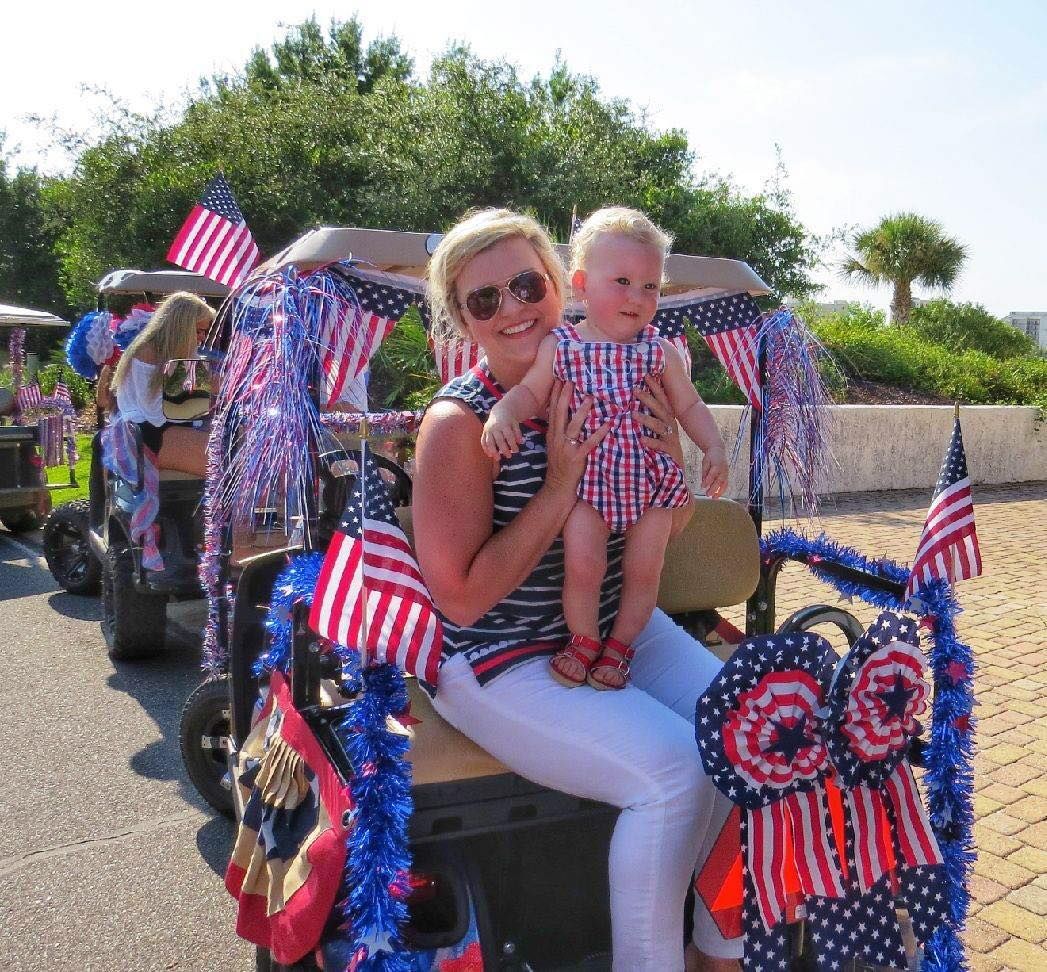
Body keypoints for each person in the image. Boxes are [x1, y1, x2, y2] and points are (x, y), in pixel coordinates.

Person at [414, 208, 742, 971]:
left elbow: (663, 524)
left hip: (613, 625)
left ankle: (718, 953)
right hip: (503, 654)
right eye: (483, 300)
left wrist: (672, 473)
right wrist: (560, 485)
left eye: (526, 284)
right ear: (463, 319)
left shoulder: (622, 369)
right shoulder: (462, 423)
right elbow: (460, 601)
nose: (512, 308)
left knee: (742, 730)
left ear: (562, 284)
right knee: (673, 772)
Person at [480, 207, 728, 691]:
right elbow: (530, 392)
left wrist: (713, 446)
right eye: (622, 281)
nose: (637, 297)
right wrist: (503, 413)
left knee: (643, 570)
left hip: (650, 483)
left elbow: (690, 404)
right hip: (588, 485)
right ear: (581, 285)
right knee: (584, 564)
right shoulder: (562, 347)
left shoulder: (660, 351)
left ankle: (620, 647)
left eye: (650, 286)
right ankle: (584, 639)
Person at [110, 291, 213, 476]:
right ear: (181, 327)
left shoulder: (186, 352)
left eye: (205, 331)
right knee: (223, 461)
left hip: (166, 427)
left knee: (232, 441)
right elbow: (155, 414)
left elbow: (193, 409)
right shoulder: (146, 351)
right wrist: (203, 388)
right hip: (144, 432)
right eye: (199, 331)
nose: (203, 337)